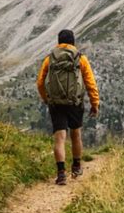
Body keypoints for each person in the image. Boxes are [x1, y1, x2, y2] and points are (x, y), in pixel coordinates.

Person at [37, 29, 99, 185]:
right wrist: (94, 103)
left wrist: (47, 98)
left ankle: (61, 174)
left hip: (56, 103)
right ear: (73, 42)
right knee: (76, 134)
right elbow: (90, 83)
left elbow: (40, 82)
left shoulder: (49, 59)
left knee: (60, 138)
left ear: (59, 42)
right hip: (74, 102)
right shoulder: (80, 59)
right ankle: (76, 167)